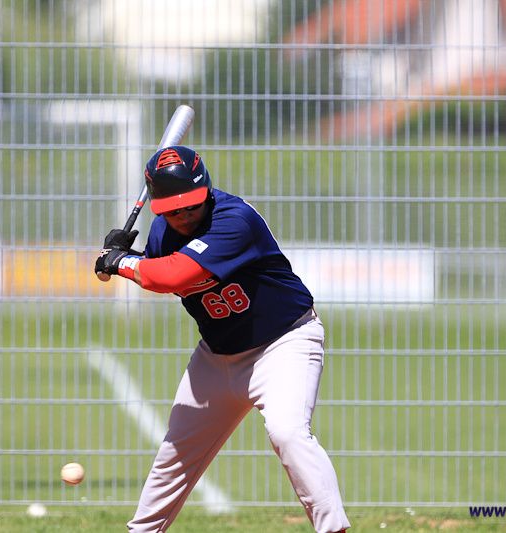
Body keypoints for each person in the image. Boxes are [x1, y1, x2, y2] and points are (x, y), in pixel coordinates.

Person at [95, 145, 350, 533]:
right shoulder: (163, 232)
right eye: (174, 210)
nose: (184, 215)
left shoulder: (234, 219)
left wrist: (123, 263)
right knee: (176, 452)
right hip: (217, 356)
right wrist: (130, 257)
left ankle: (333, 529)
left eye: (192, 206)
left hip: (283, 343)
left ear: (206, 191)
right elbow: (159, 271)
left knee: (288, 432)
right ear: (159, 209)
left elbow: (174, 275)